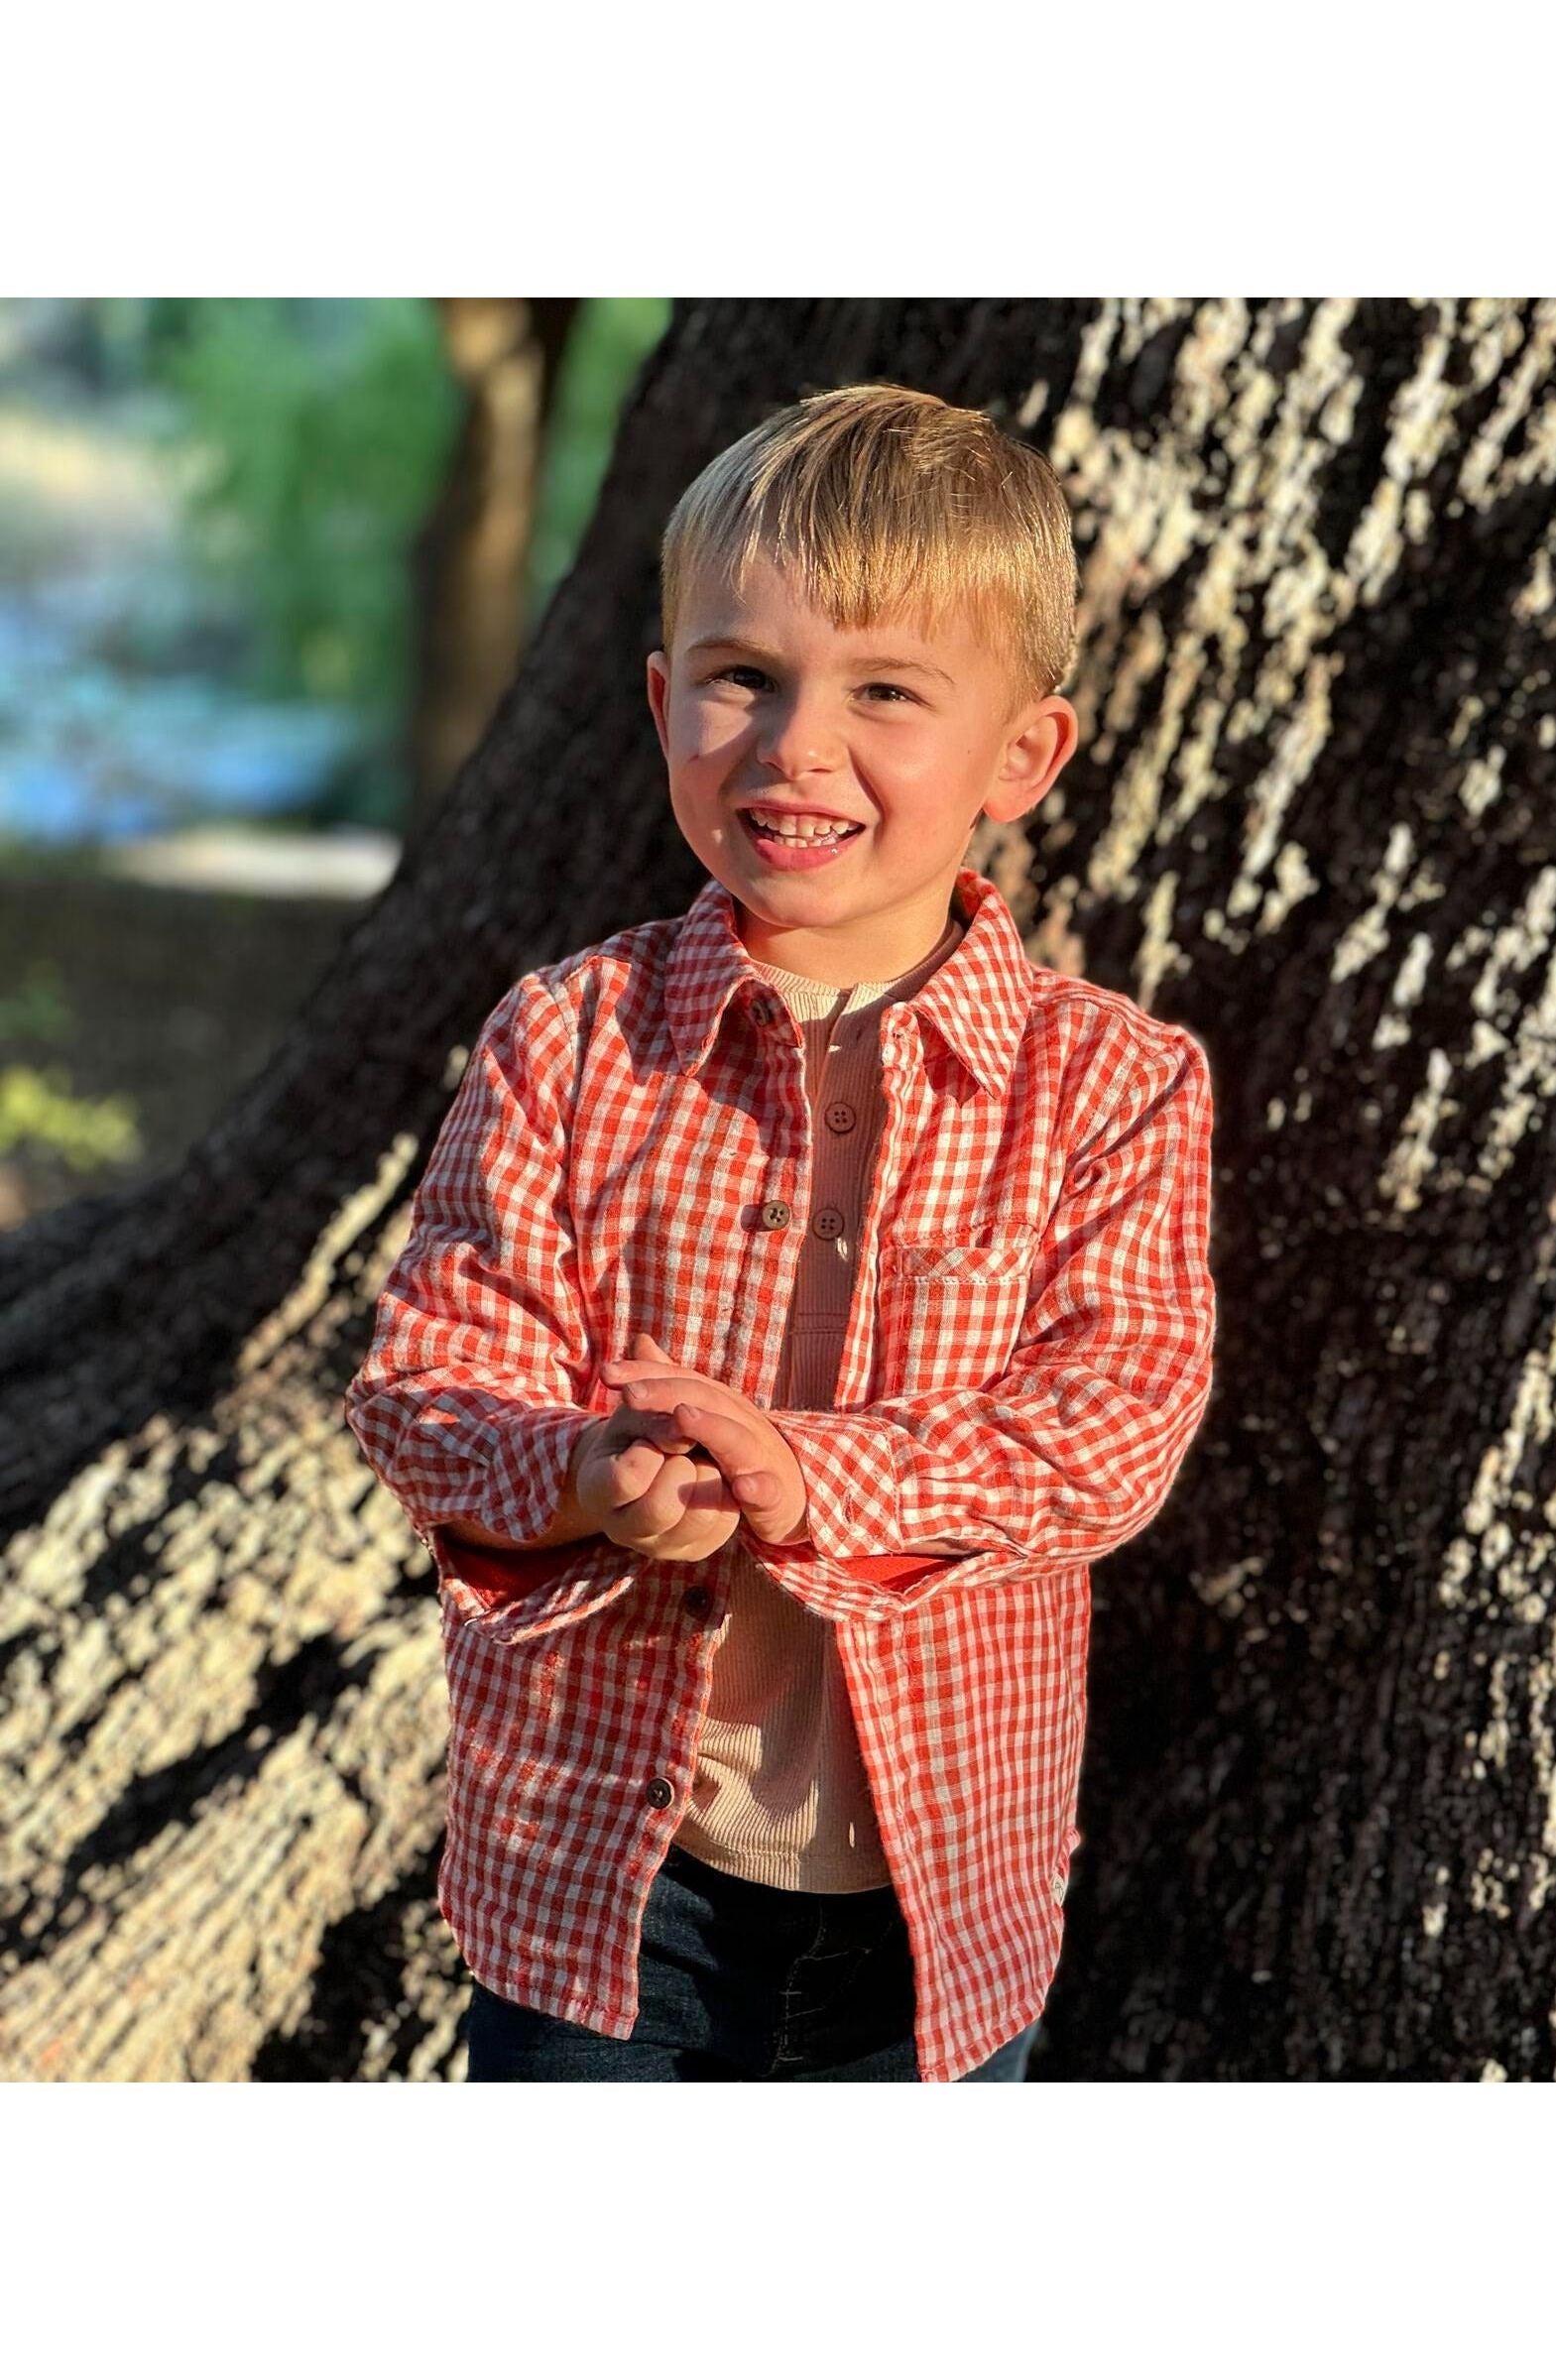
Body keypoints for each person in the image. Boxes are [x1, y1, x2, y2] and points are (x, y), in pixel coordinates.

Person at [344, 383, 1217, 2082]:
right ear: (667, 702)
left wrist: (811, 1480)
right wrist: (587, 1472)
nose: (798, 744)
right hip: (603, 1871)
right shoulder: (572, 1038)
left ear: (1021, 757)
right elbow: (432, 1370)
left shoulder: (1110, 1085)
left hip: (938, 1884)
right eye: (743, 676)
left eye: (888, 691)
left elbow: (1111, 1427)